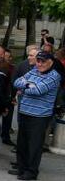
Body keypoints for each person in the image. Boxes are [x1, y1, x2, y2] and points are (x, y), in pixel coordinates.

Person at [9, 51, 60, 180]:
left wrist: (25, 86)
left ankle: (31, 171)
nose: (40, 64)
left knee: (34, 145)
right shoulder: (33, 71)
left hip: (40, 115)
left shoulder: (54, 76)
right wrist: (29, 85)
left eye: (43, 61)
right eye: (38, 61)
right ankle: (22, 168)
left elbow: (38, 90)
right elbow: (16, 82)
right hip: (25, 111)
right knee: (22, 143)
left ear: (51, 62)